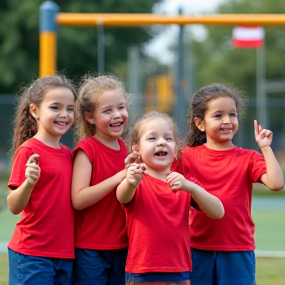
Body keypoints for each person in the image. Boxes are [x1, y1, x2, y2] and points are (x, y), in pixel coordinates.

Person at [176, 83, 284, 285]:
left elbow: (277, 183)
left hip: (237, 248)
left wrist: (266, 148)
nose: (227, 121)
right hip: (196, 247)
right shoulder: (186, 156)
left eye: (232, 114)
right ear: (200, 124)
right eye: (218, 116)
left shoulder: (249, 158)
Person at [117, 111, 224, 285]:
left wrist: (191, 187)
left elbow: (218, 212)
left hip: (179, 271)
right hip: (142, 271)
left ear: (175, 149)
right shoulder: (136, 179)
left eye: (168, 138)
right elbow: (122, 195)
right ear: (136, 149)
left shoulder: (184, 184)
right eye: (152, 139)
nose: (161, 142)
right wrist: (130, 181)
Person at [7, 74, 77, 285]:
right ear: (35, 110)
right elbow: (13, 205)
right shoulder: (28, 150)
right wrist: (29, 182)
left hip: (65, 255)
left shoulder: (68, 154)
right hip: (32, 254)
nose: (64, 114)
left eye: (70, 108)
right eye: (55, 107)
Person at [71, 75, 130, 285]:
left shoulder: (127, 149)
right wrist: (118, 177)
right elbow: (78, 199)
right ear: (90, 117)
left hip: (123, 246)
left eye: (121, 107)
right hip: (91, 248)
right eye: (107, 111)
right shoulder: (87, 150)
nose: (117, 115)